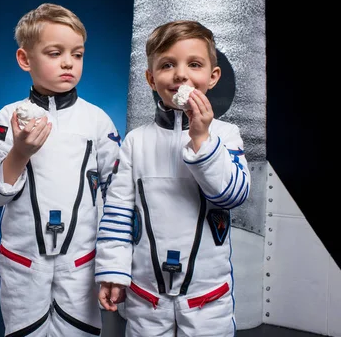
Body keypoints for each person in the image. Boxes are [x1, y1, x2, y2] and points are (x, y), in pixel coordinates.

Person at [95, 20, 251, 336]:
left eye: (194, 64)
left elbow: (233, 195)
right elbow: (117, 213)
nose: (181, 74)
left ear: (213, 76)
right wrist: (113, 271)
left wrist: (202, 140)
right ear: (151, 79)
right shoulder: (136, 142)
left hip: (207, 298)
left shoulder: (226, 135)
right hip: (146, 296)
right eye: (168, 65)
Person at [0, 3, 121, 336]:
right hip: (23, 264)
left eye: (77, 54)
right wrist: (19, 153)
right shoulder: (8, 117)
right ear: (25, 59)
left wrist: (115, 265)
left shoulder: (97, 121)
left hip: (81, 265)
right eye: (55, 53)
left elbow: (117, 197)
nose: (68, 62)